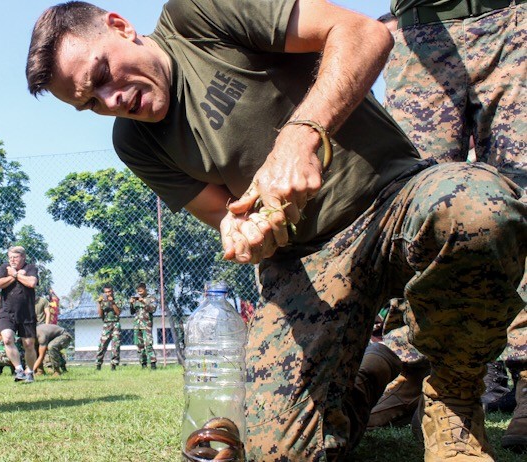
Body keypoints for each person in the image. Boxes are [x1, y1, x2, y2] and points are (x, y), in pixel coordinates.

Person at [26, 2, 527, 460]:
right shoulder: (134, 142)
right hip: (306, 259)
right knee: (280, 453)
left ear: (120, 26)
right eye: (92, 103)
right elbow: (226, 214)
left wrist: (302, 134)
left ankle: (455, 403)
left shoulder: (197, 15)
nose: (114, 100)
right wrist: (242, 233)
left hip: (394, 198)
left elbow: (363, 34)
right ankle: (372, 371)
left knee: (476, 208)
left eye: (103, 75)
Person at [377, 2, 527, 452]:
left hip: (511, 18)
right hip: (421, 28)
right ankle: (411, 369)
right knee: (414, 203)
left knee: (521, 199)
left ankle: (526, 373)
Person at [0, 246, 39, 384]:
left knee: (29, 344)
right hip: (7, 312)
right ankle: (19, 369)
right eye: (10, 257)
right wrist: (16, 275)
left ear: (23, 258)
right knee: (7, 339)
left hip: (26, 313)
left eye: (15, 257)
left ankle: (29, 372)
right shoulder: (4, 268)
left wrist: (15, 274)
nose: (12, 260)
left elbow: (31, 283)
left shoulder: (31, 268)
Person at [129, 283, 156, 369]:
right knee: (139, 344)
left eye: (141, 290)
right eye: (138, 290)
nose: (139, 292)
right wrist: (131, 303)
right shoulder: (136, 299)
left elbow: (153, 309)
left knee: (148, 343)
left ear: (145, 289)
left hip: (146, 324)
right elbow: (132, 312)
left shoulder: (151, 298)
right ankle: (143, 364)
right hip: (137, 324)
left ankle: (153, 364)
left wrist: (143, 302)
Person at [94, 285, 121, 371]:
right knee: (102, 345)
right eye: (106, 292)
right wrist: (99, 303)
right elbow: (100, 314)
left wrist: (112, 302)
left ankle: (114, 365)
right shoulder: (103, 301)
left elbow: (118, 312)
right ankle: (98, 364)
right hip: (106, 324)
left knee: (115, 345)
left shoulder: (117, 300)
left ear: (112, 292)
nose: (108, 294)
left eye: (109, 292)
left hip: (116, 324)